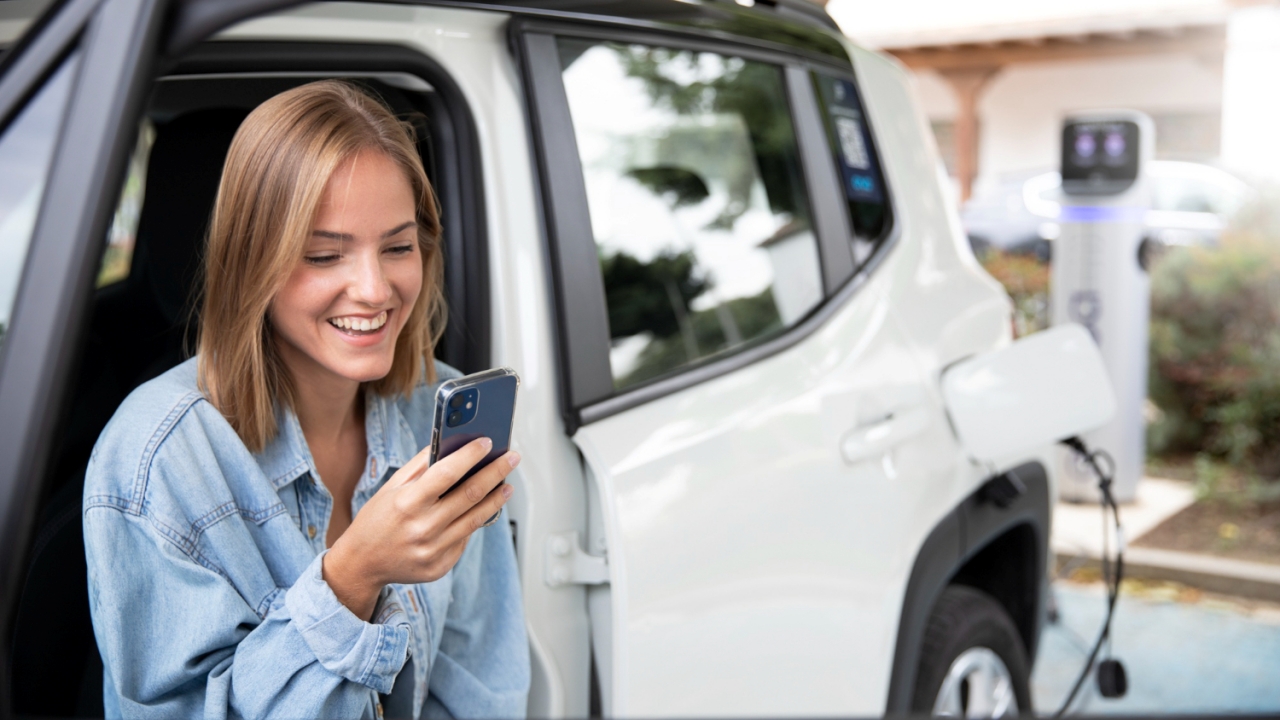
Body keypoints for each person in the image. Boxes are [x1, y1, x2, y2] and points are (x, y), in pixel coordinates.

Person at [83, 80, 530, 719]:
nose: (375, 290)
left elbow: (481, 686)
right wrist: (349, 580)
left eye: (399, 247)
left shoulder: (435, 409)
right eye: (325, 255)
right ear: (252, 262)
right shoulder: (161, 457)